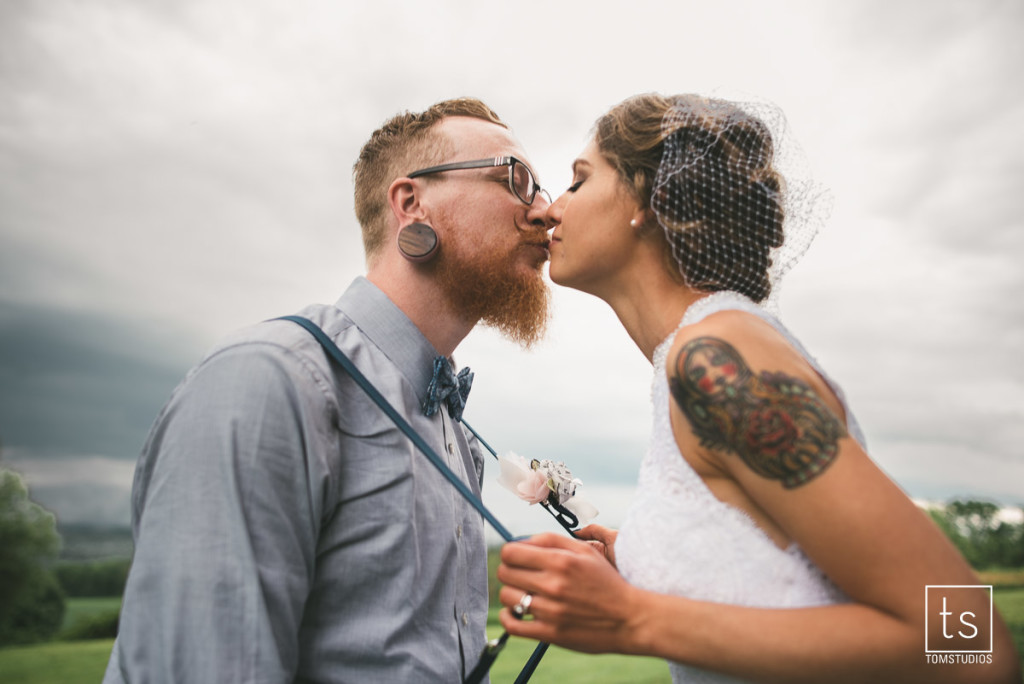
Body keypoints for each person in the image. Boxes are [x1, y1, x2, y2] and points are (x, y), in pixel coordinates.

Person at [496, 93, 1020, 683]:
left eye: (578, 180)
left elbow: (966, 636)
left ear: (650, 198)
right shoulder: (692, 361)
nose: (551, 210)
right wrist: (643, 558)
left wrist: (631, 619)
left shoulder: (717, 364)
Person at [103, 97, 553, 683]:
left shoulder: (450, 423)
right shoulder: (268, 380)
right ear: (411, 203)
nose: (545, 210)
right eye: (515, 179)